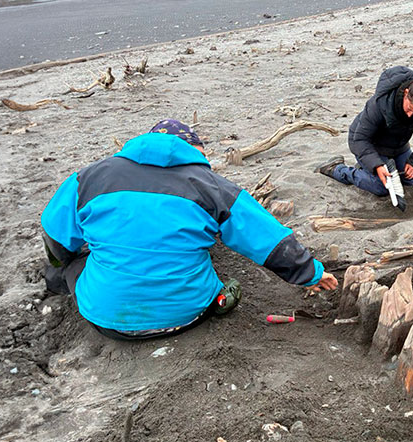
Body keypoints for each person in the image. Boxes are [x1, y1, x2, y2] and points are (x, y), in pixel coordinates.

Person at [40, 119, 338, 340]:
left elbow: (54, 234)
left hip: (106, 322)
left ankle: (59, 286)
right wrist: (309, 272)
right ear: (193, 151)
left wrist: (66, 262)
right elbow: (267, 237)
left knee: (75, 263)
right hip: (187, 316)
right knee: (204, 263)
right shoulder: (211, 186)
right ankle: (218, 299)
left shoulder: (89, 178)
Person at [315, 66, 413, 197]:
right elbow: (360, 139)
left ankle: (366, 166)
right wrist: (377, 166)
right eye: (409, 109)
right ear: (406, 93)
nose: (410, 115)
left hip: (398, 147)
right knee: (381, 188)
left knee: (412, 180)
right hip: (367, 143)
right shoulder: (380, 103)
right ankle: (337, 169)